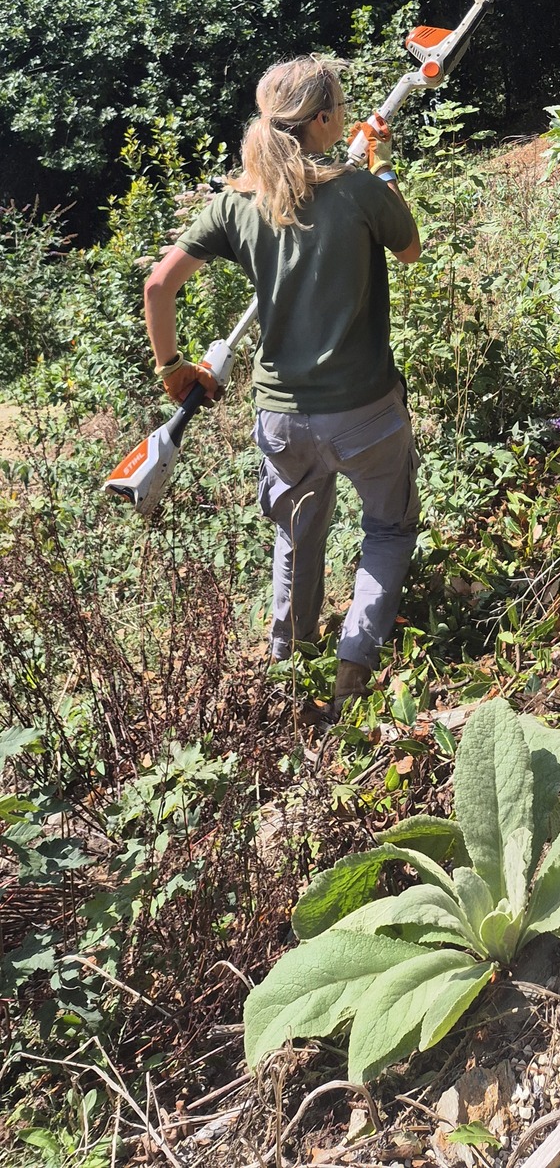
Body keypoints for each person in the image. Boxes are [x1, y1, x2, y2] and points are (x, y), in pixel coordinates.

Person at [142, 55, 422, 718]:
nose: (347, 115)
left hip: (282, 419)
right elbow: (410, 249)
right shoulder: (359, 190)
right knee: (388, 527)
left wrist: (171, 365)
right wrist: (379, 166)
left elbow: (158, 285)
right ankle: (355, 658)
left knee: (296, 539)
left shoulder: (238, 201)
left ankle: (289, 676)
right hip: (366, 410)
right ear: (324, 119)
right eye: (340, 107)